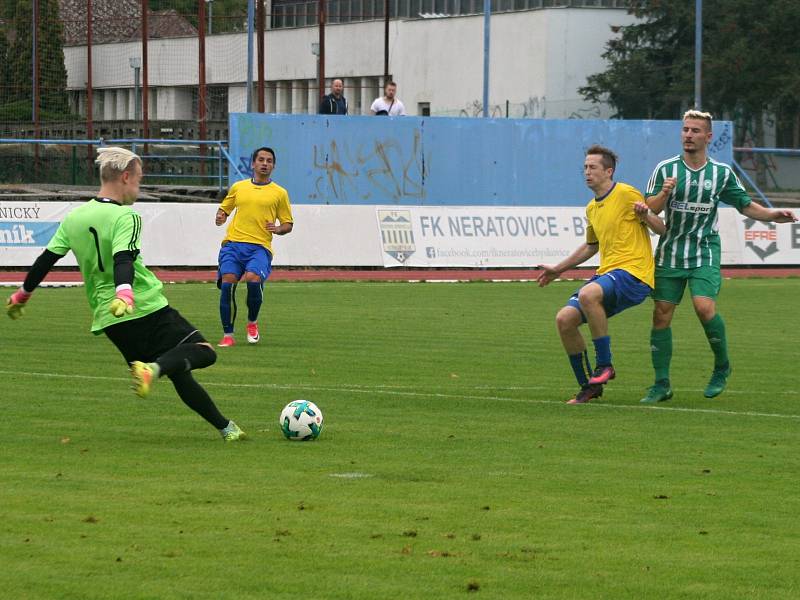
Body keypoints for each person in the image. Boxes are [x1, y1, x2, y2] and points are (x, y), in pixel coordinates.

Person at [5, 147, 246, 441]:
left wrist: (22, 295)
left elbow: (46, 260)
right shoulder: (126, 216)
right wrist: (125, 293)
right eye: (139, 180)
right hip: (141, 306)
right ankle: (154, 370)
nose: (139, 187)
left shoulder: (75, 218)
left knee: (178, 370)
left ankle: (226, 428)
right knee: (204, 353)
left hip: (110, 319)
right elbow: (123, 258)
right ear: (125, 177)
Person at [640, 110, 798, 403]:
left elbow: (745, 205)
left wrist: (773, 215)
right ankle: (661, 384)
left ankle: (722, 366)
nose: (688, 135)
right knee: (661, 315)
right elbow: (651, 208)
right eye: (685, 130)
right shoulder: (665, 169)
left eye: (695, 131)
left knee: (703, 307)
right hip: (670, 251)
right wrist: (663, 193)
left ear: (708, 137)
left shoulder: (721, 173)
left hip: (703, 250)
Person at [537, 145, 666, 405]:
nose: (587, 172)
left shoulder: (626, 193)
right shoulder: (592, 209)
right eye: (585, 167)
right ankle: (589, 388)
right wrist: (558, 269)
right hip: (609, 274)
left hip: (635, 273)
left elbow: (661, 228)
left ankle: (605, 365)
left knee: (588, 293)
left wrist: (646, 215)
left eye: (592, 167)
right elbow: (591, 246)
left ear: (609, 171)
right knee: (564, 319)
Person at [215, 146, 293, 347]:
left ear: (273, 166)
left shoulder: (280, 193)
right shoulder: (239, 187)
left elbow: (288, 224)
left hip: (259, 247)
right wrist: (221, 216)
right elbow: (225, 208)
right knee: (228, 282)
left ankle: (252, 322)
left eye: (269, 161)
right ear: (253, 163)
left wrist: (278, 229)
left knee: (253, 278)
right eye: (261, 160)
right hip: (233, 244)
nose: (265, 164)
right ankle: (228, 335)